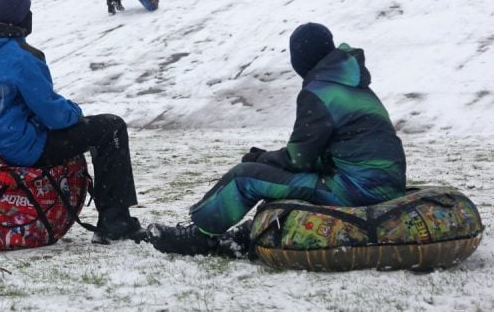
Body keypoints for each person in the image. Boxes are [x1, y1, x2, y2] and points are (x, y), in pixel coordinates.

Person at [146, 23, 407, 256]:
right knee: (275, 176)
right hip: (384, 183)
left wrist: (261, 160)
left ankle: (199, 236)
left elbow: (299, 158)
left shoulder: (319, 92)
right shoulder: (353, 85)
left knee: (245, 177)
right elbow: (328, 151)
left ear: (300, 59)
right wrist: (270, 160)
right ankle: (251, 232)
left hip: (356, 189)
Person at [0, 0, 143, 243]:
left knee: (95, 130)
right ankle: (116, 222)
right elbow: (53, 115)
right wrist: (74, 112)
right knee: (109, 128)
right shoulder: (20, 56)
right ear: (22, 16)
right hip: (16, 146)